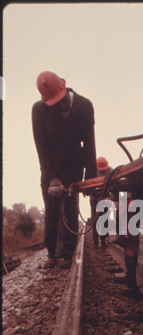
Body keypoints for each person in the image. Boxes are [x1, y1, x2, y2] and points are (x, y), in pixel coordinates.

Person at [32, 71, 97, 268]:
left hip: (72, 167)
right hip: (50, 168)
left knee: (69, 211)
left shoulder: (84, 106)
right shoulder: (39, 110)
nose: (60, 105)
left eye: (61, 101)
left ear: (64, 87)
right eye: (54, 103)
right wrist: (51, 178)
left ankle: (67, 255)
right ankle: (52, 254)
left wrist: (91, 178)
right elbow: (40, 146)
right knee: (51, 214)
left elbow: (89, 143)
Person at [90, 156, 113, 248]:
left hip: (105, 198)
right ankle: (95, 242)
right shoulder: (92, 172)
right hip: (94, 198)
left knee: (105, 219)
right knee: (95, 220)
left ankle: (103, 241)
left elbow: (113, 184)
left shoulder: (110, 170)